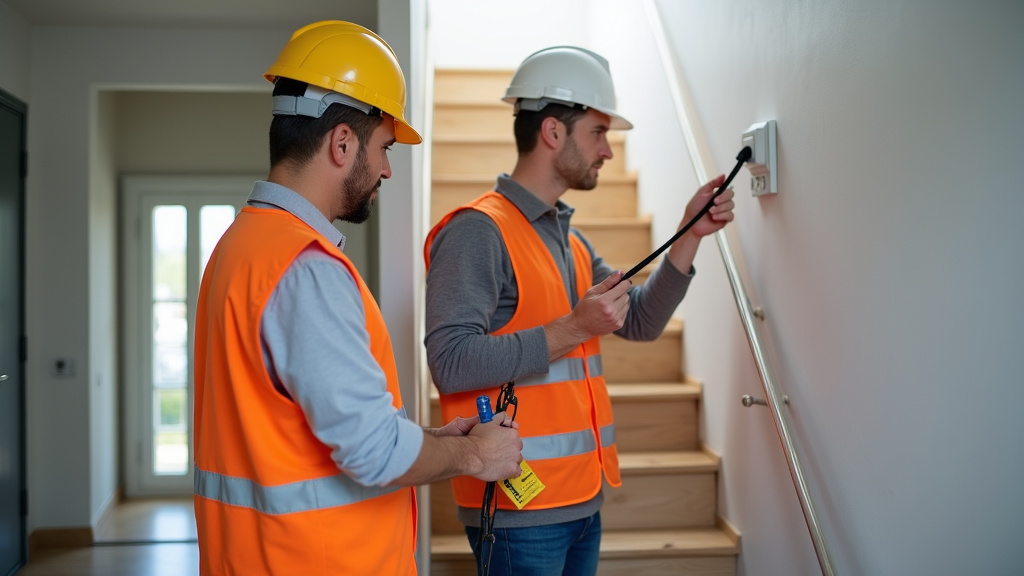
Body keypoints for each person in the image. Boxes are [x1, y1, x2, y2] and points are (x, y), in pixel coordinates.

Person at [192, 21, 522, 576]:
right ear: (342, 143)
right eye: (384, 147)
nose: (389, 169)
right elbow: (372, 452)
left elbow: (308, 427)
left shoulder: (241, 244)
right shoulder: (306, 269)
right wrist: (474, 454)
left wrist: (430, 440)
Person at [423, 46, 735, 574]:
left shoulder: (570, 241)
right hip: (520, 509)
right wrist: (571, 328)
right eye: (598, 132)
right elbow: (450, 362)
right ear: (552, 132)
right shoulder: (478, 231)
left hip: (580, 498)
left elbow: (639, 320)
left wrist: (690, 234)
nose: (607, 151)